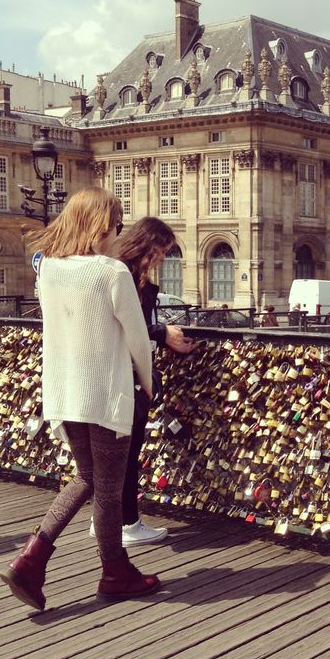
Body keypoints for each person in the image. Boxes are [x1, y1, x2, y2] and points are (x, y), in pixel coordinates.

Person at [0, 187, 160, 611]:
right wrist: (148, 382)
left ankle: (33, 558)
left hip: (65, 391)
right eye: (116, 224)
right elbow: (138, 339)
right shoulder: (112, 273)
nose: (118, 233)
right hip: (104, 394)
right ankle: (112, 572)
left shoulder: (49, 269)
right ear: (101, 226)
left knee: (89, 478)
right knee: (107, 488)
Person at [96, 216, 196, 547]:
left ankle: (107, 520)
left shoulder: (121, 272)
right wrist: (162, 332)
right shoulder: (123, 275)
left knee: (113, 454)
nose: (165, 258)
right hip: (125, 376)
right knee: (126, 450)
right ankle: (126, 523)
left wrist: (161, 334)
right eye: (163, 250)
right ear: (148, 246)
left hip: (116, 373)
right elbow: (125, 327)